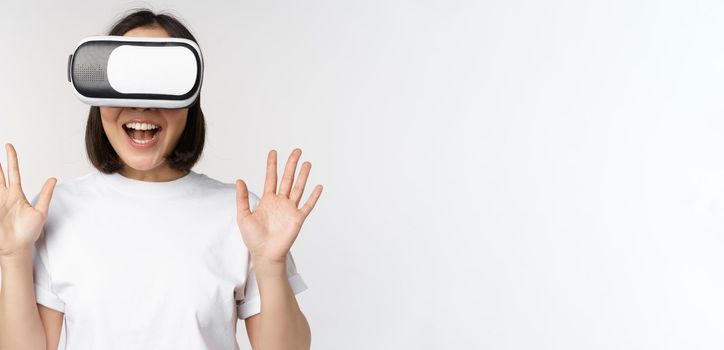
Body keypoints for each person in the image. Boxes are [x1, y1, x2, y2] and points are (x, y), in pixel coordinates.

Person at [0, 9, 321, 350]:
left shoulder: (243, 217)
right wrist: (13, 257)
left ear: (190, 100)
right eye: (126, 82)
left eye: (162, 82)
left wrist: (270, 266)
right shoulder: (56, 212)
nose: (142, 104)